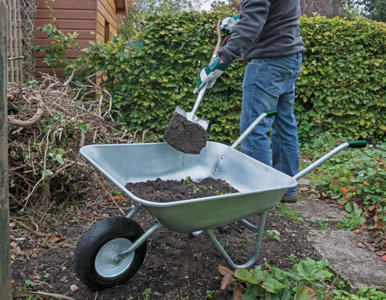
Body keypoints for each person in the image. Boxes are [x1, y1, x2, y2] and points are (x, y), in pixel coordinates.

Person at [194, 0, 304, 203]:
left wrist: (223, 59)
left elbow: (252, 23)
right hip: (290, 57)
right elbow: (273, 13)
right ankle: (286, 187)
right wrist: (238, 19)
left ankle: (258, 196)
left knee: (253, 129)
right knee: (284, 123)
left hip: (268, 61)